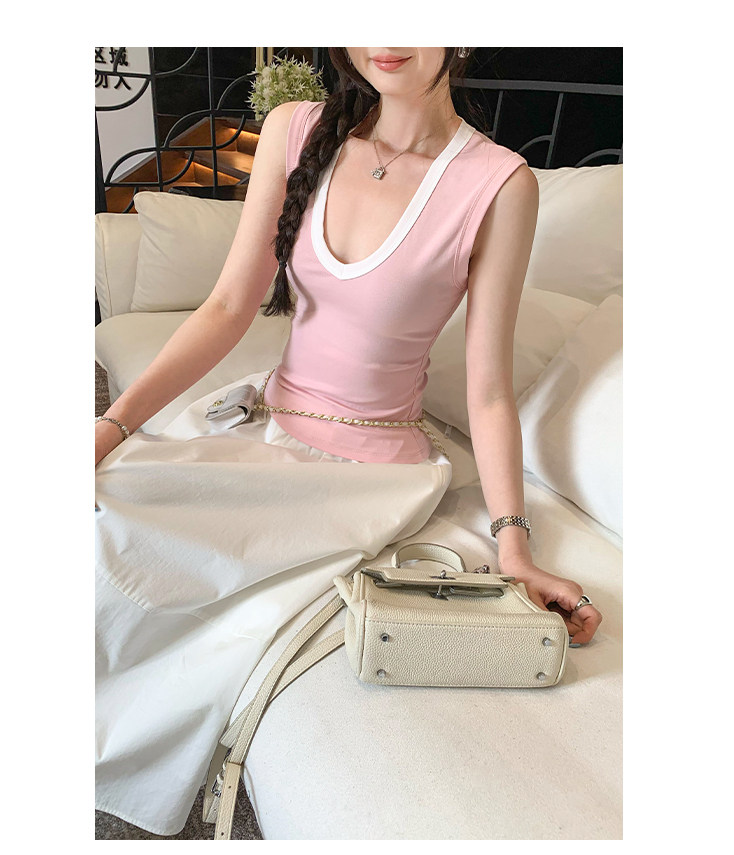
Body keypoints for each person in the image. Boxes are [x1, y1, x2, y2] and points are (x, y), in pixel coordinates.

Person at [95, 47, 603, 836]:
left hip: (363, 474)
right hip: (263, 425)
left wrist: (515, 547)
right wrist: (109, 426)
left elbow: (489, 390)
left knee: (122, 544)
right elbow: (227, 306)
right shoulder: (294, 129)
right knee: (104, 507)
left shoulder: (499, 183)